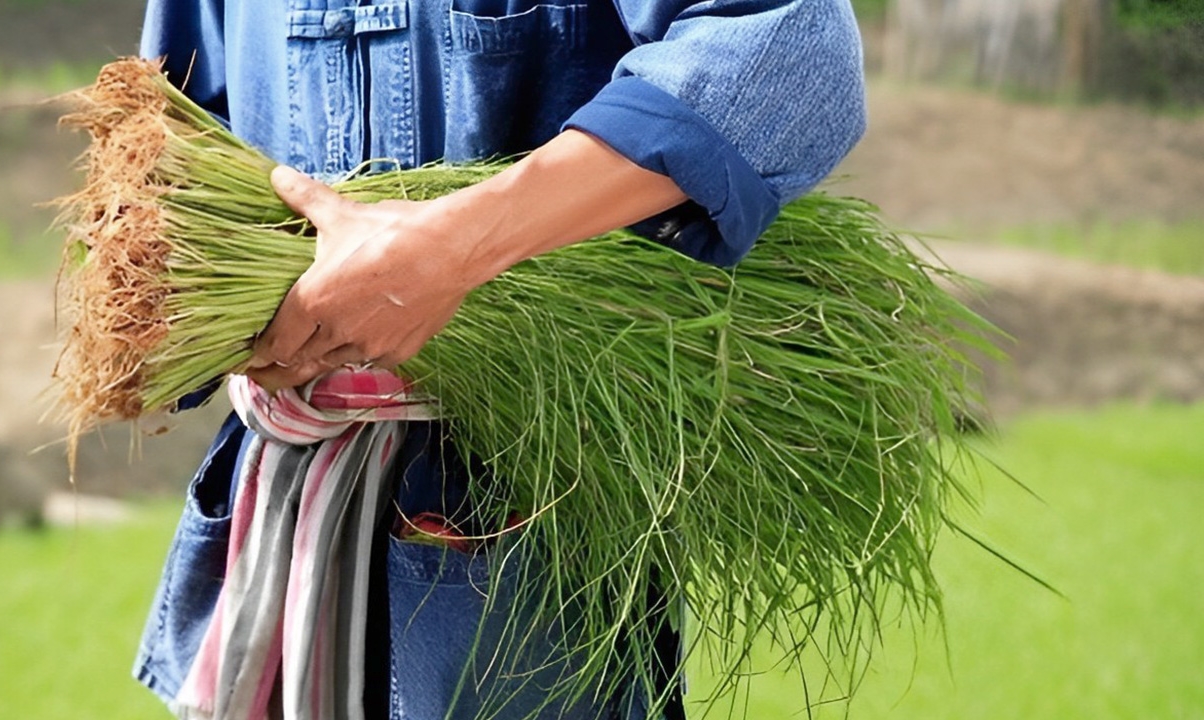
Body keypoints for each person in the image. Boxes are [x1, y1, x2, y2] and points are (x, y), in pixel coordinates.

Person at [132, 1, 867, 718]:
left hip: (520, 507)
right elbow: (167, 144)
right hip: (283, 501)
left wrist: (457, 245)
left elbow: (793, 47)